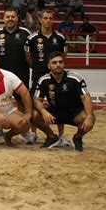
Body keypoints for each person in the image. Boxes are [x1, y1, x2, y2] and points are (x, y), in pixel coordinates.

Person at [31, 52, 96, 151]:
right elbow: (37, 100)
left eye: (60, 62)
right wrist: (44, 112)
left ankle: (77, 138)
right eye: (54, 62)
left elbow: (86, 98)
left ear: (63, 64)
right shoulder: (43, 80)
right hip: (54, 113)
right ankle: (52, 137)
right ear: (49, 66)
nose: (58, 65)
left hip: (74, 113)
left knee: (90, 118)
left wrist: (89, 116)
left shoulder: (75, 78)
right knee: (34, 115)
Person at [25, 9, 67, 144]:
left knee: (60, 103)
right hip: (38, 75)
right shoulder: (31, 39)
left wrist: (56, 67)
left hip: (56, 76)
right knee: (34, 104)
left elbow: (63, 57)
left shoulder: (60, 38)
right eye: (45, 18)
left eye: (50, 18)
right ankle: (33, 133)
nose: (48, 20)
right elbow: (28, 57)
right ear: (40, 20)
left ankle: (61, 135)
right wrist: (37, 67)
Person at [0, 9, 31, 141]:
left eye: (13, 17)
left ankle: (25, 130)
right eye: (7, 17)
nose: (10, 19)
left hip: (21, 74)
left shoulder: (25, 33)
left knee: (22, 103)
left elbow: (30, 54)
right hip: (1, 77)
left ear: (17, 18)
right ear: (3, 19)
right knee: (0, 103)